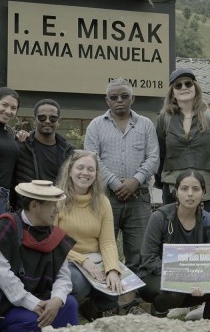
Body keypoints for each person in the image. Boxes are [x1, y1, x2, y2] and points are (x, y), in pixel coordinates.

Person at [83, 78, 160, 276]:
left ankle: (132, 299)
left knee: (139, 252)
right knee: (103, 248)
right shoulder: (96, 125)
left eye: (124, 96)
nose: (120, 100)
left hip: (139, 196)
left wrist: (136, 180)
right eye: (114, 97)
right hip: (106, 196)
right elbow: (92, 158)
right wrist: (116, 183)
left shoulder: (146, 125)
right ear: (107, 100)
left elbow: (154, 157)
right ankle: (106, 299)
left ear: (132, 98)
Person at [0, 179, 79, 331]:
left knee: (69, 304)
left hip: (44, 300)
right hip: (9, 306)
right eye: (52, 205)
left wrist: (57, 300)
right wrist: (34, 304)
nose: (57, 210)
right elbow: (1, 275)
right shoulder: (6, 228)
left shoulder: (54, 235)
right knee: (33, 320)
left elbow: (63, 276)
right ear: (34, 205)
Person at [138, 170, 210, 319]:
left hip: (195, 281)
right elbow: (148, 258)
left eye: (196, 189)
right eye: (184, 189)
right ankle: (158, 315)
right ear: (176, 192)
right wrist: (182, 277)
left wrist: (200, 280)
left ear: (204, 193)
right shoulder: (160, 218)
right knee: (175, 289)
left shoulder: (209, 222)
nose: (190, 194)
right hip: (156, 277)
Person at [55, 150, 122, 320]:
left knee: (114, 287)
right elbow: (52, 241)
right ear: (70, 171)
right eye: (80, 168)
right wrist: (81, 260)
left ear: (96, 174)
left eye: (91, 169)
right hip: (66, 258)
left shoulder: (102, 201)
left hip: (95, 258)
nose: (85, 173)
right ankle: (65, 311)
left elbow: (107, 241)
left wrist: (113, 269)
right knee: (77, 283)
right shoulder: (56, 199)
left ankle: (90, 309)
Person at [156, 67, 210, 212]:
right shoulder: (164, 119)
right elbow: (160, 154)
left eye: (188, 83)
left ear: (195, 88)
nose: (183, 87)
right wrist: (161, 184)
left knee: (208, 231)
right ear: (172, 93)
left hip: (207, 189)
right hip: (174, 187)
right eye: (178, 85)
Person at [0, 87, 28, 216]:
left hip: (6, 197)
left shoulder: (11, 134)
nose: (8, 111)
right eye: (4, 105)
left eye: (13, 108)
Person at [14, 99, 75, 190]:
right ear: (34, 120)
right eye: (42, 118)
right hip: (28, 202)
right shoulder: (21, 146)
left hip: (58, 202)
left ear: (59, 121)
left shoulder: (69, 152)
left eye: (52, 118)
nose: (47, 121)